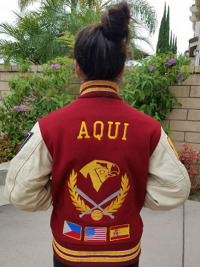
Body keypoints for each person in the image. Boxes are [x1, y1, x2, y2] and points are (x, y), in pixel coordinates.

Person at [5, 2, 191, 267]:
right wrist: (133, 195)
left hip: (70, 250)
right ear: (123, 70)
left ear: (77, 67)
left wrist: (58, 195)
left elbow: (21, 193)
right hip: (123, 252)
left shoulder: (50, 126)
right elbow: (176, 189)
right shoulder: (148, 127)